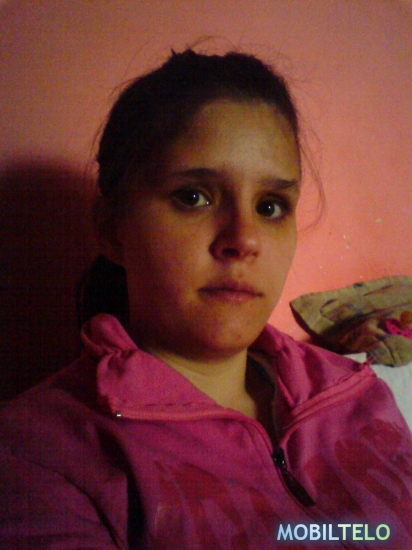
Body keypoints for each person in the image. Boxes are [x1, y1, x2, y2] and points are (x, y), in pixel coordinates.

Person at [1, 49, 411, 550]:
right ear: (110, 227)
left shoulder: (357, 394)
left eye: (270, 206)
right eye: (194, 196)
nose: (245, 239)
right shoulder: (38, 451)